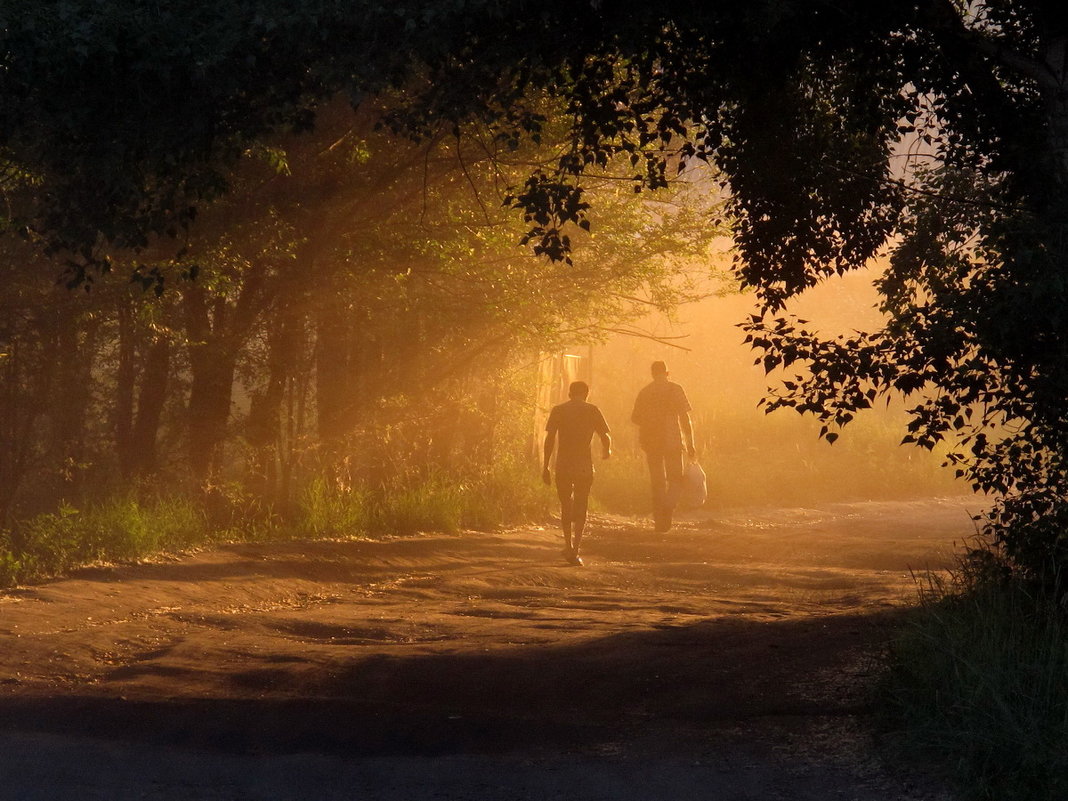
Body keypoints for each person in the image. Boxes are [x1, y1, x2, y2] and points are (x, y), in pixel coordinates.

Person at [542, 381, 611, 565]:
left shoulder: (559, 410)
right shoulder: (592, 410)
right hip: (584, 465)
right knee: (582, 504)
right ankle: (576, 549)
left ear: (569, 393)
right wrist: (607, 451)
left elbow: (549, 439)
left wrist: (545, 466)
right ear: (586, 394)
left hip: (564, 464)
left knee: (566, 504)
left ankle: (568, 544)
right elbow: (605, 436)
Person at [631, 360, 696, 532]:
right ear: (668, 373)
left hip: (651, 442)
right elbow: (685, 418)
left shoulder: (645, 392)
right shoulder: (675, 389)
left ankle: (659, 520)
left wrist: (651, 421)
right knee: (676, 479)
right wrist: (690, 443)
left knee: (657, 481)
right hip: (673, 440)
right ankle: (668, 507)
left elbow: (635, 418)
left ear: (652, 374)